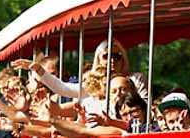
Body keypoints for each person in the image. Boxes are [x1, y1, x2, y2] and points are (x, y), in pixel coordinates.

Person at [14, 40, 149, 105]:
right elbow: (63, 88)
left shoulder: (136, 78)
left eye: (117, 56)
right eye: (107, 56)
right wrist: (38, 69)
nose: (112, 60)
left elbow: (144, 105)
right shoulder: (94, 83)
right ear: (98, 58)